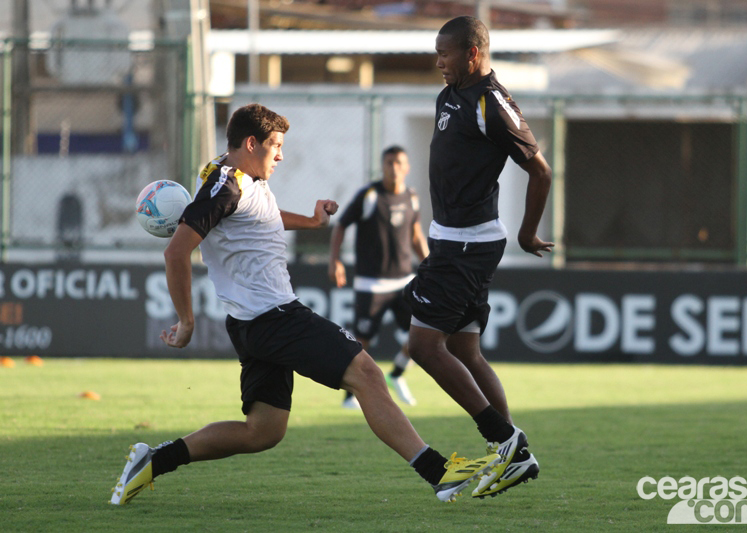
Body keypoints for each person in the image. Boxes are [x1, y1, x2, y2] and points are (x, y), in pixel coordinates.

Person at [110, 104, 500, 505]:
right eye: (275, 145)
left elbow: (256, 214)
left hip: (251, 323)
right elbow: (176, 253)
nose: (280, 155)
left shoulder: (232, 175)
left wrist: (312, 223)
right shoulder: (223, 187)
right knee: (366, 372)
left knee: (263, 431)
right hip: (275, 316)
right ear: (250, 143)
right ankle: (439, 473)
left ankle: (153, 462)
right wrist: (186, 322)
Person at [403, 16, 554, 499]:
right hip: (452, 240)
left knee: (424, 348)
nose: (438, 62)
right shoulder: (449, 96)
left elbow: (541, 172)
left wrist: (529, 234)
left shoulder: (492, 101)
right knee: (465, 351)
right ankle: (516, 458)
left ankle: (506, 441)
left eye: (445, 53)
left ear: (472, 53)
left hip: (467, 245)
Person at [328, 145, 429, 409]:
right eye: (389, 163)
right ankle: (350, 395)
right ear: (382, 166)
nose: (394, 167)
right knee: (362, 342)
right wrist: (335, 260)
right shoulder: (370, 195)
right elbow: (341, 224)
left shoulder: (412, 197)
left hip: (405, 282)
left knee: (421, 336)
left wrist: (430, 264)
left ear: (406, 167)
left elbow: (416, 234)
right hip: (371, 283)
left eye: (398, 163)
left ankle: (396, 374)